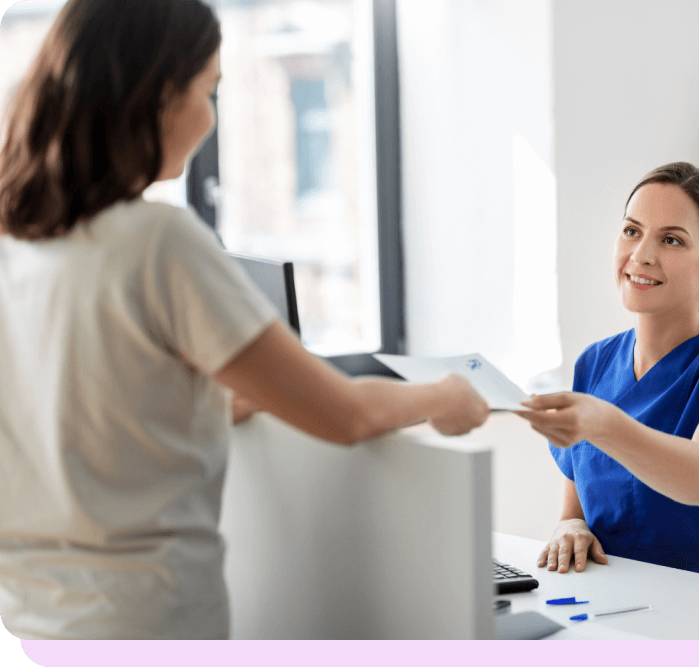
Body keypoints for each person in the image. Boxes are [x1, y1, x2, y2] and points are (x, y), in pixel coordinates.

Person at [0, 0, 489, 640]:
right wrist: (446, 395)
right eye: (209, 91)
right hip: (144, 620)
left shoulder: (20, 241)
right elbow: (345, 416)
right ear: (157, 96)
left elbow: (94, 408)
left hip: (33, 617)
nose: (209, 118)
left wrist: (238, 397)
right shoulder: (156, 240)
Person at [517, 162, 699, 588]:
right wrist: (570, 528)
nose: (641, 254)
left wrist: (604, 423)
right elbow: (575, 509)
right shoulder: (596, 363)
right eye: (631, 231)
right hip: (616, 605)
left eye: (672, 240)